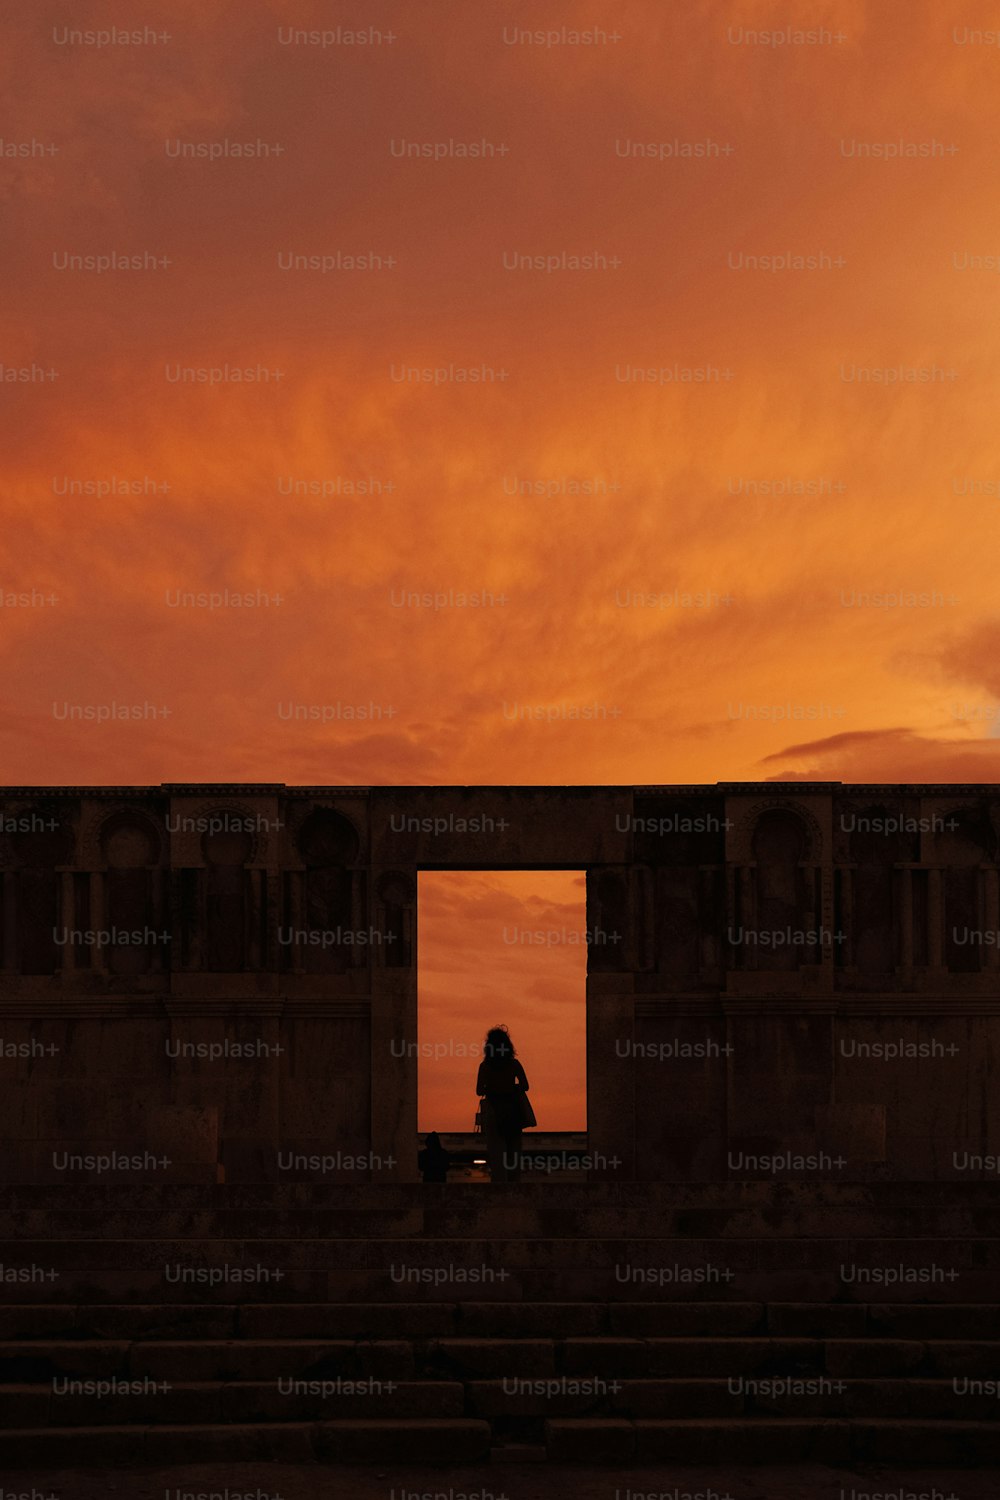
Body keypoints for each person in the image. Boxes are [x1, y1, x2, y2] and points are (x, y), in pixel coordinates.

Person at [476, 1025, 531, 1182]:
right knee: (514, 1153)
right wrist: (511, 1087)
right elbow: (525, 1086)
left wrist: (493, 1087)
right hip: (513, 1111)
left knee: (497, 1154)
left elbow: (479, 1090)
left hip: (494, 1110)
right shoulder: (514, 1064)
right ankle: (514, 1187)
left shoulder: (485, 1067)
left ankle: (499, 1187)